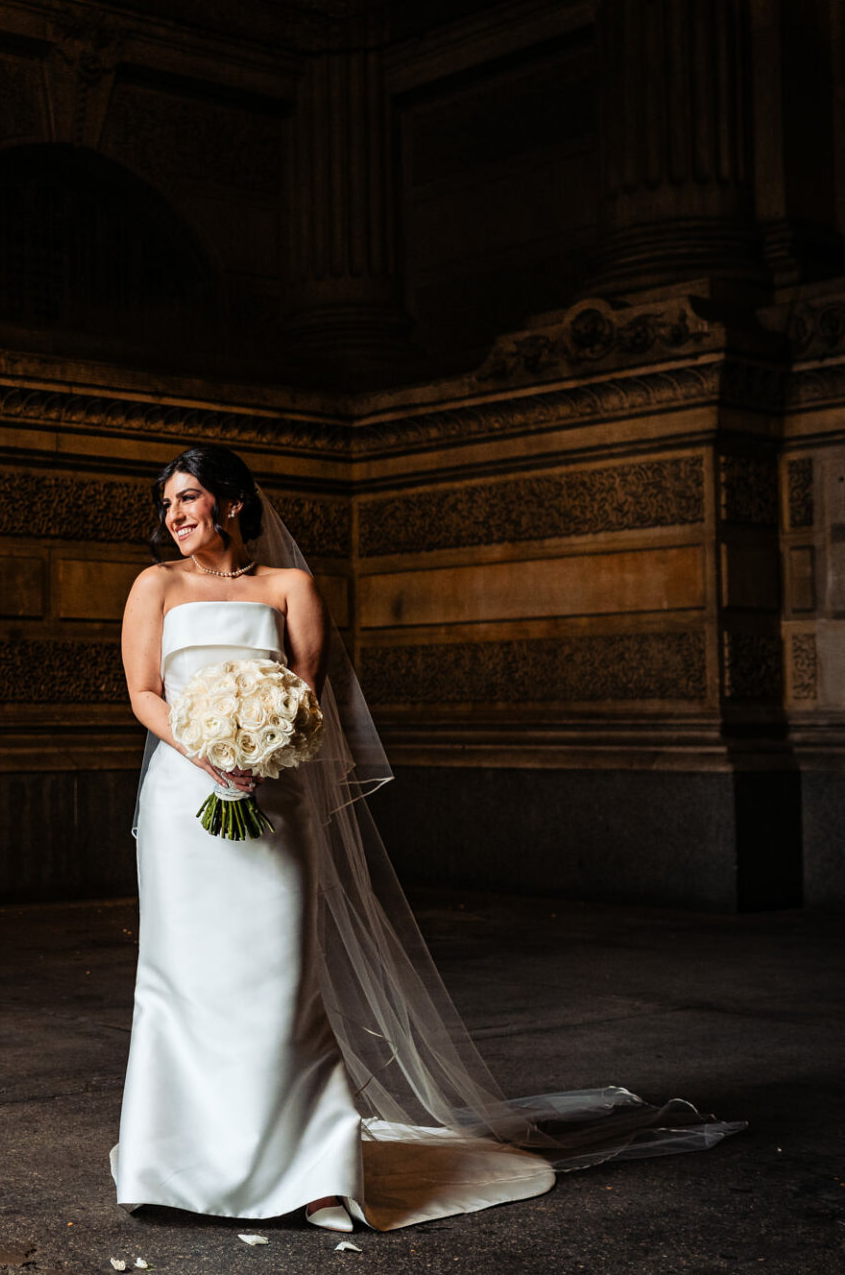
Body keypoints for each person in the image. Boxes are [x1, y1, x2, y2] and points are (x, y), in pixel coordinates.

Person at [110, 445, 740, 1232]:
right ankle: (173, 1164)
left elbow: (307, 696)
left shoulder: (291, 587)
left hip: (280, 797)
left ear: (233, 503)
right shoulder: (155, 586)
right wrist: (209, 753)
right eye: (167, 503)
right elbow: (142, 692)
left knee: (280, 983)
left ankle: (313, 1173)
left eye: (190, 498)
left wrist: (260, 752)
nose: (175, 516)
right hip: (185, 804)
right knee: (181, 983)